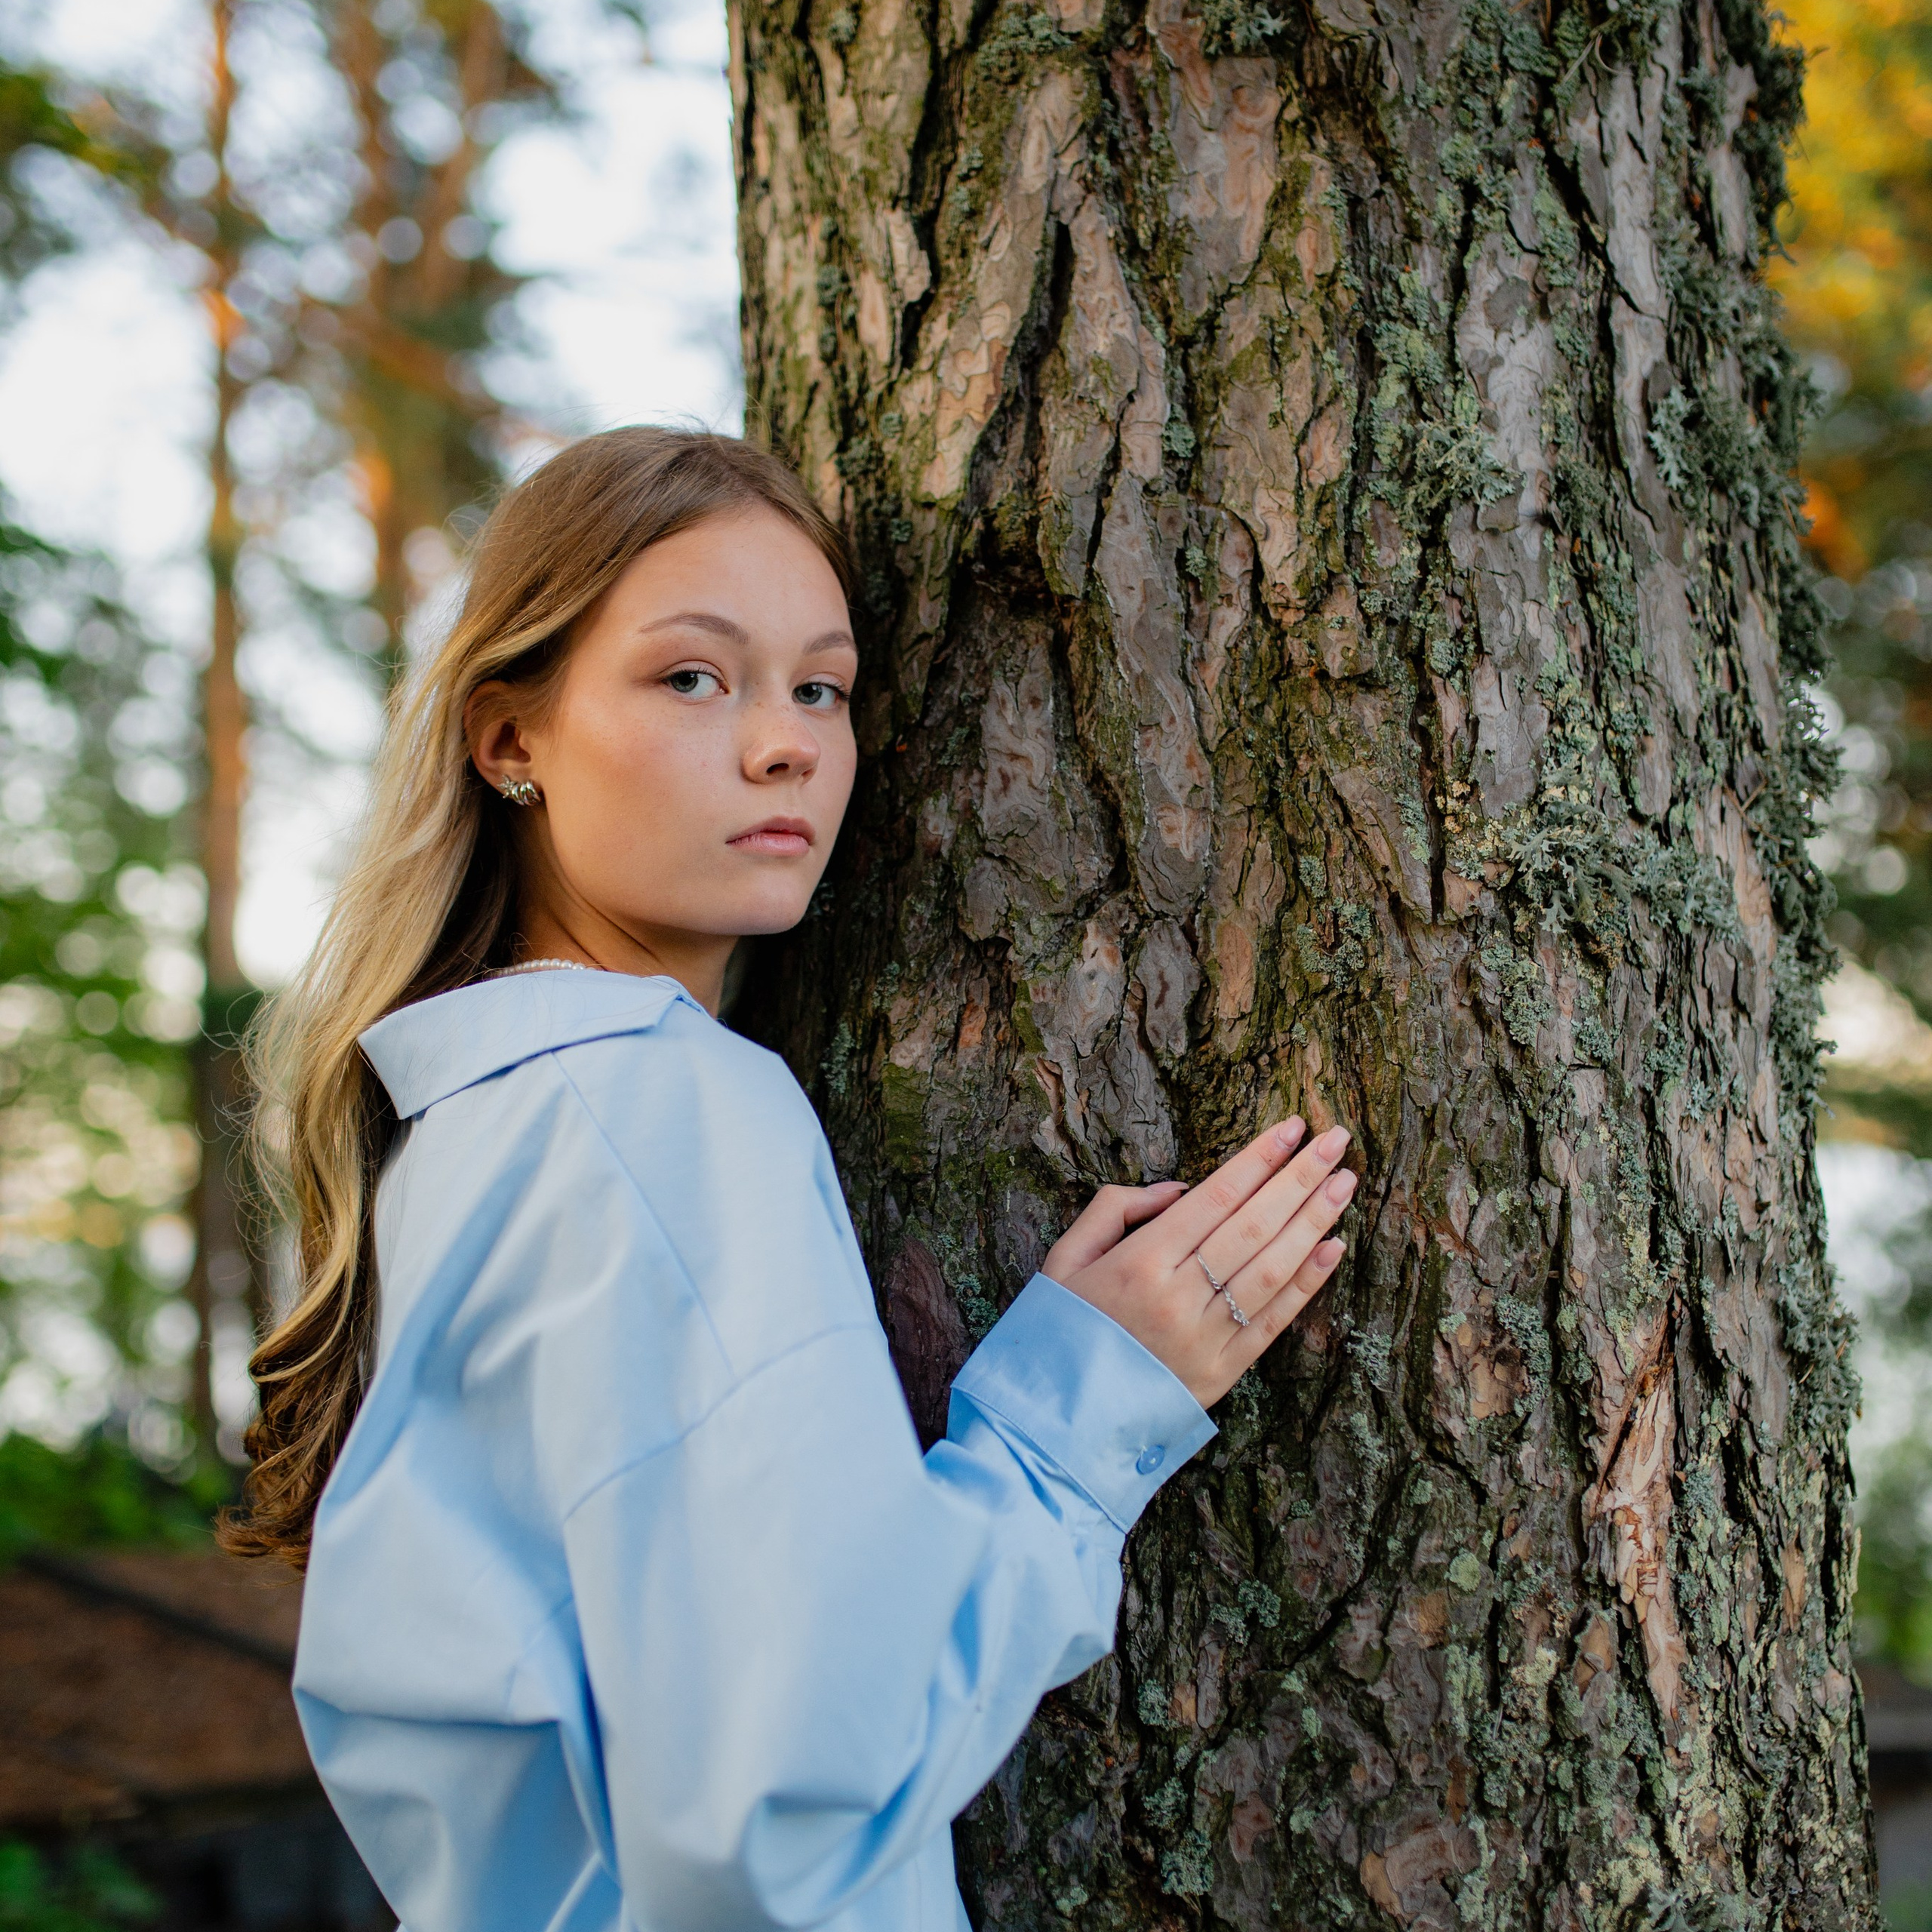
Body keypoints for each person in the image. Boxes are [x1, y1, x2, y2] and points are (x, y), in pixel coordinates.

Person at [226, 426, 1358, 1932]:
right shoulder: (655, 1105)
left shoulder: (474, 1132)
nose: (786, 744)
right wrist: (1074, 1416)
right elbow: (778, 1808)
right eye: (692, 676)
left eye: (818, 685)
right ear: (510, 737)